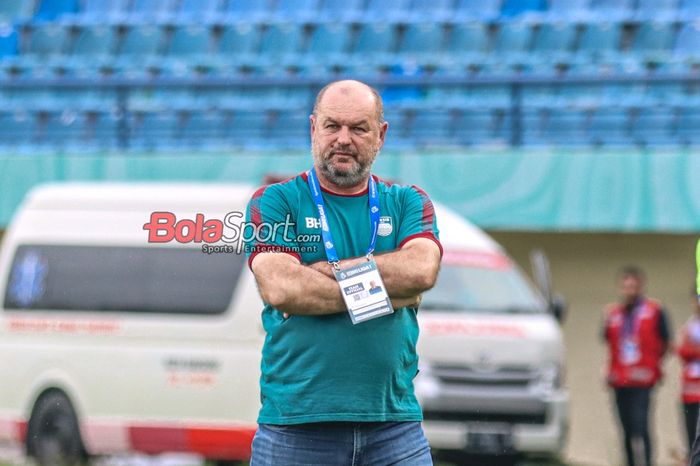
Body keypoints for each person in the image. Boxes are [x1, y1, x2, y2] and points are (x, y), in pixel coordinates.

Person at [244, 80, 442, 465]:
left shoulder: (407, 202)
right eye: (332, 126)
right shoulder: (275, 200)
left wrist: (321, 274)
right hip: (296, 428)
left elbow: (420, 272)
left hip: (394, 428)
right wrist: (388, 292)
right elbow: (282, 289)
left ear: (381, 135)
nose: (344, 139)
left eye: (359, 128)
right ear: (313, 129)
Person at [602, 266, 671, 466]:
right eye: (625, 286)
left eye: (633, 286)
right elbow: (608, 343)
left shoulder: (655, 310)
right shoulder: (612, 314)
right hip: (620, 380)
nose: (629, 290)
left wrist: (655, 364)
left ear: (641, 286)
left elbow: (666, 341)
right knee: (625, 429)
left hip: (643, 380)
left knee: (641, 426)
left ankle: (648, 462)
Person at [677, 285, 700, 456]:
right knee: (692, 438)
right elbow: (682, 351)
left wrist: (692, 350)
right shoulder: (689, 325)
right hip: (691, 392)